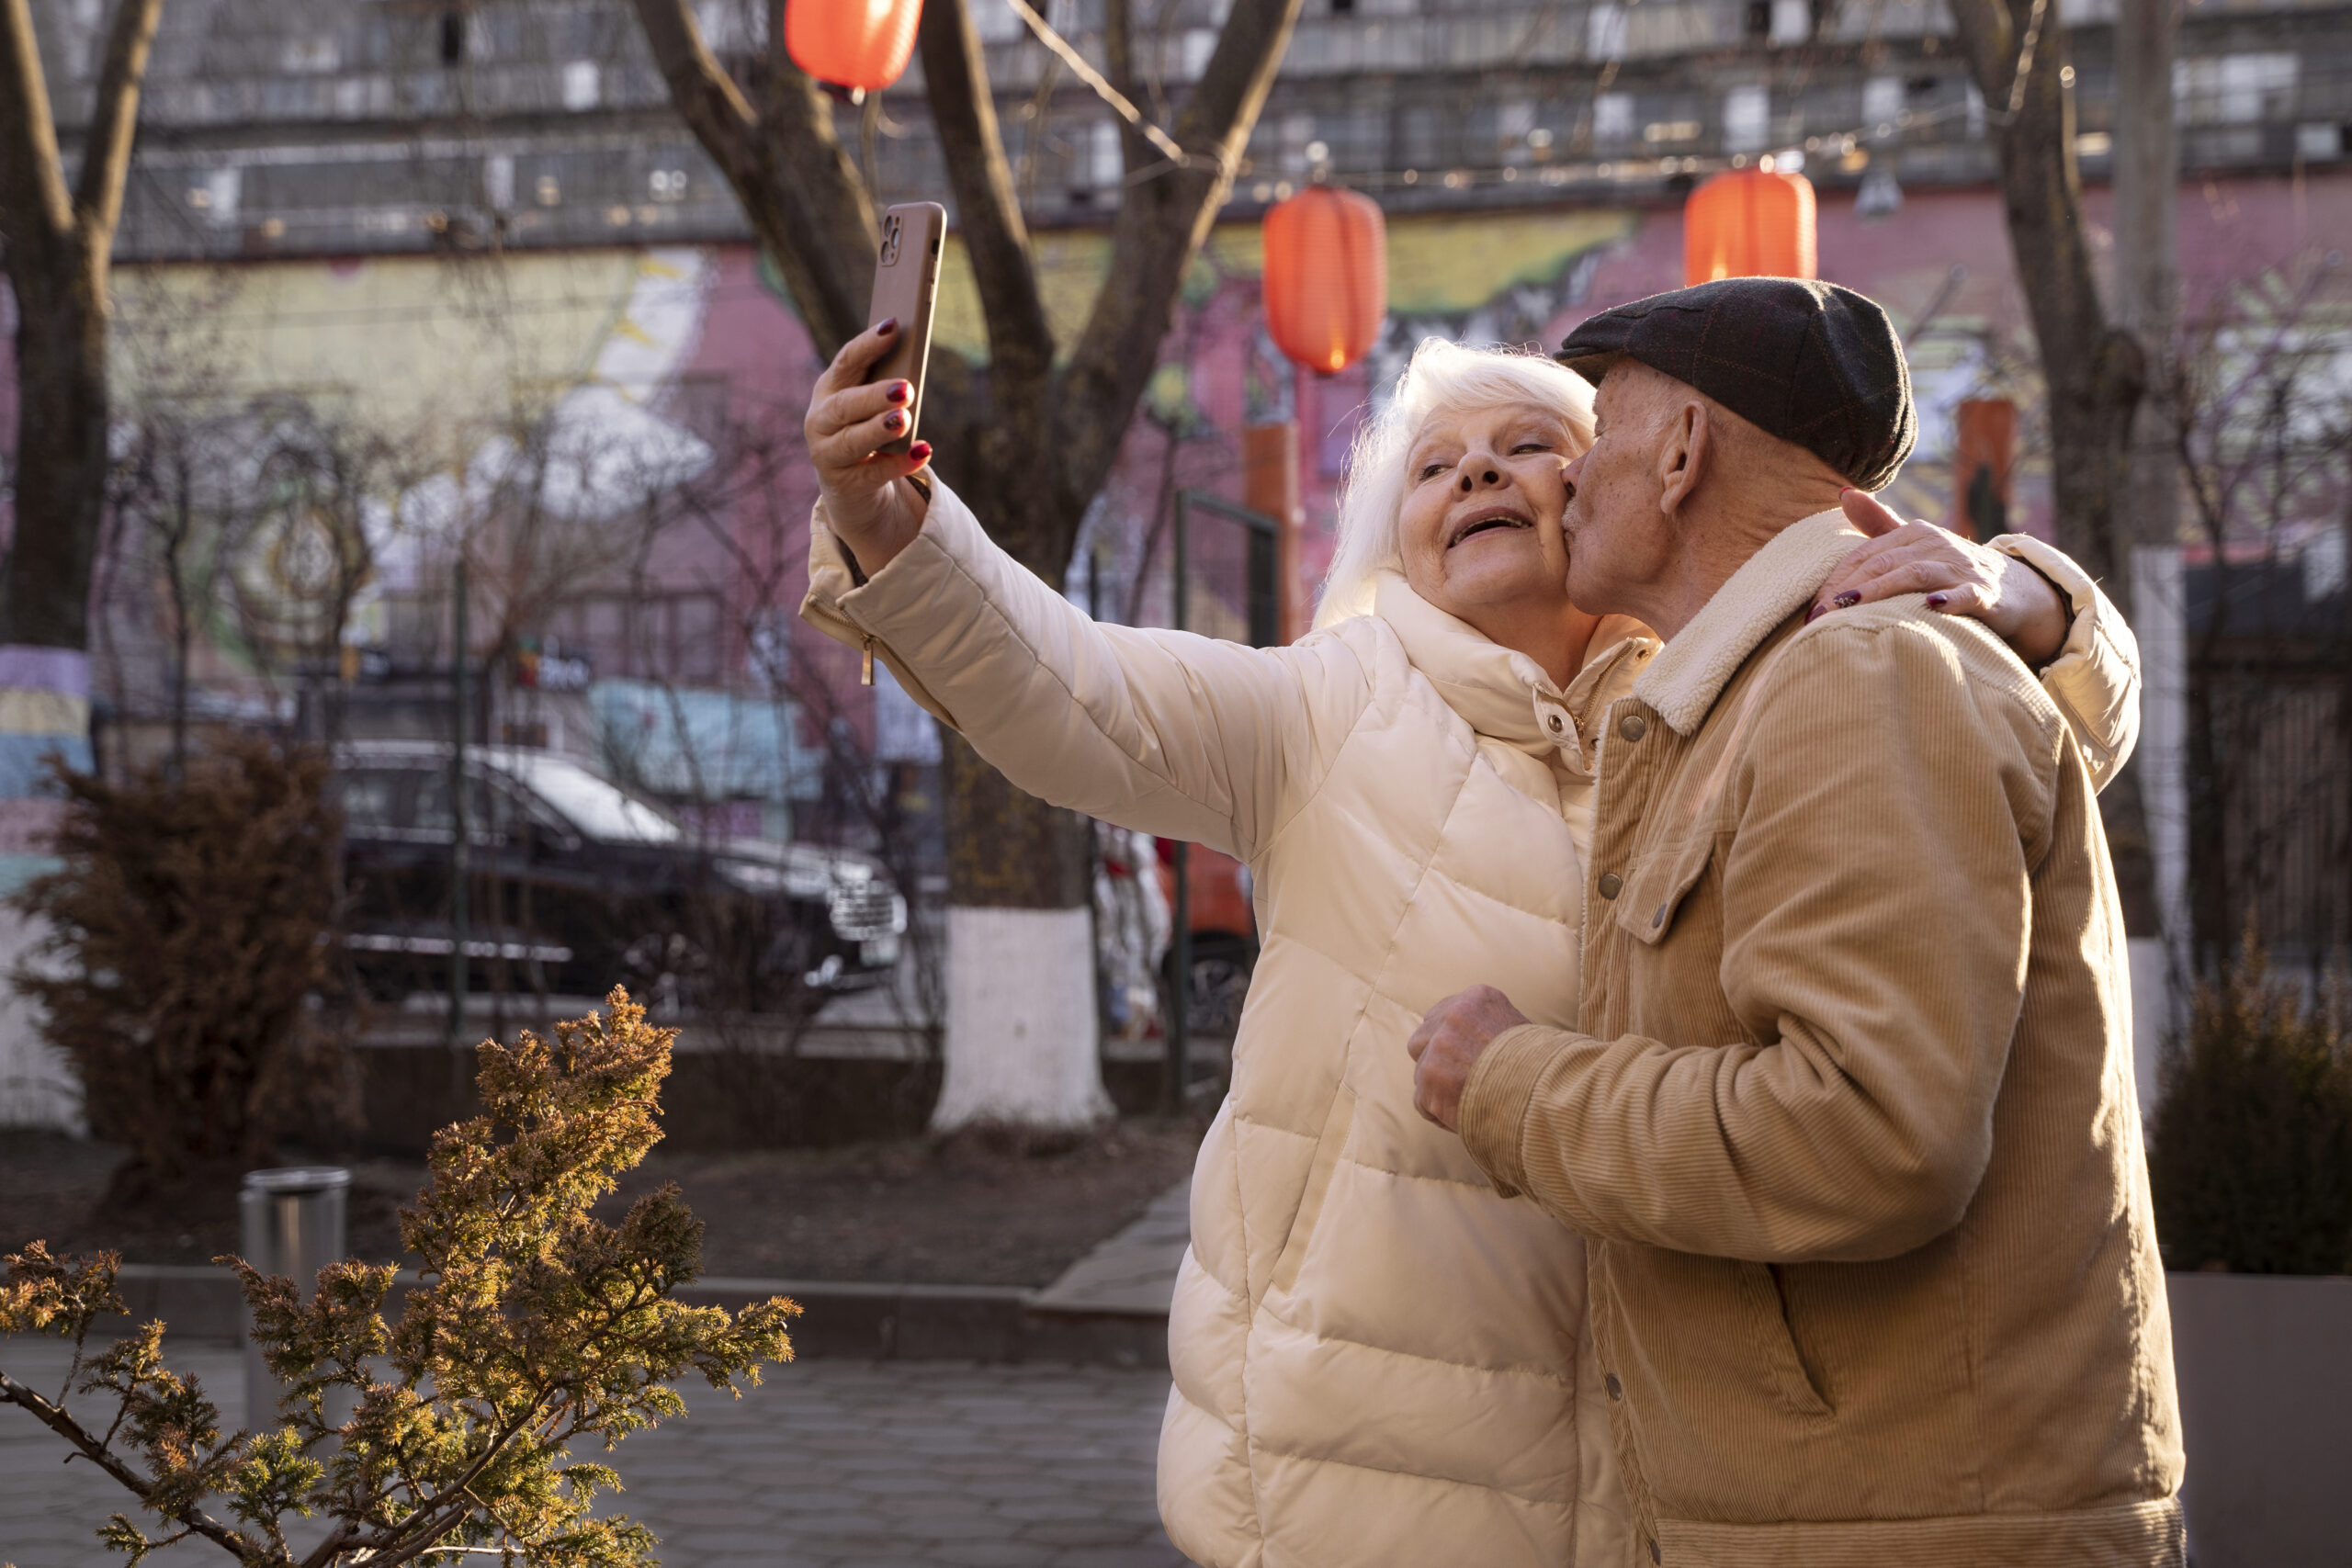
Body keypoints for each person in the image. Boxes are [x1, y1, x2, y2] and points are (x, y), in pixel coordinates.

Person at [798, 321, 2140, 1568]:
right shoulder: (1325, 710)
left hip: (1673, 1471)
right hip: (1362, 1460)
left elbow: (2009, 750)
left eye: (1530, 446)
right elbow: (1067, 685)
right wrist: (890, 522)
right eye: (1434, 469)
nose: (1478, 475)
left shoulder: (1738, 699)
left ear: (1629, 487)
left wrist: (2034, 602)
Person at [1409, 278, 2183, 1567]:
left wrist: (1510, 1087)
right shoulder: (1796, 679)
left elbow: (1869, 1132)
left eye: (1602, 433)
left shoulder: (1857, 675)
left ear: (1681, 453)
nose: (1570, 478)